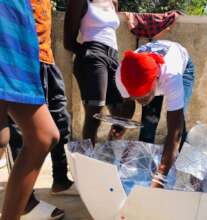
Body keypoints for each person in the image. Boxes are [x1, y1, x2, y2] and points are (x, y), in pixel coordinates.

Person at [5, 0, 76, 218]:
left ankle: (56, 182)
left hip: (24, 44)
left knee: (45, 134)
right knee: (9, 136)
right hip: (9, 37)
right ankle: (23, 204)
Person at [115, 40, 195, 188]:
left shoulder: (172, 76)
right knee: (148, 124)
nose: (140, 100)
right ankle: (144, 175)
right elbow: (128, 105)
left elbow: (174, 133)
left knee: (180, 127)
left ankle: (189, 177)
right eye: (135, 96)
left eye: (144, 96)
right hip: (151, 74)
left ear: (156, 80)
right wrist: (120, 125)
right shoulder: (122, 74)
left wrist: (161, 176)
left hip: (183, 68)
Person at [64, 0, 134, 145]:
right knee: (95, 115)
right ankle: (88, 161)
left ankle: (109, 149)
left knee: (125, 108)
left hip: (113, 57)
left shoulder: (113, 2)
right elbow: (68, 41)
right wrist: (89, 53)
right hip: (93, 55)